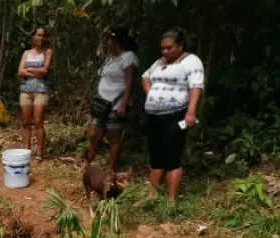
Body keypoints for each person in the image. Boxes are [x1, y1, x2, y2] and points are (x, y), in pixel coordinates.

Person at [141, 27, 205, 204]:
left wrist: (191, 111)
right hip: (154, 115)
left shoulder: (191, 61)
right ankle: (152, 196)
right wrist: (152, 94)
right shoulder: (160, 62)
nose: (165, 51)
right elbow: (145, 77)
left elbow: (196, 86)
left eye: (169, 48)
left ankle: (171, 201)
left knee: (172, 156)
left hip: (176, 115)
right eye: (162, 48)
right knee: (156, 156)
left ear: (181, 45)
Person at [84, 27, 139, 181]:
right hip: (102, 103)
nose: (107, 43)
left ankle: (112, 167)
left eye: (109, 40)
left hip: (116, 105)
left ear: (116, 41)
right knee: (94, 135)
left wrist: (123, 104)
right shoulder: (110, 57)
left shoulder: (129, 57)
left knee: (113, 138)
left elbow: (129, 83)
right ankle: (87, 162)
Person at [18, 27, 53, 163]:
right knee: (26, 122)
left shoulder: (48, 52)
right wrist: (36, 71)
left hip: (41, 90)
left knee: (38, 121)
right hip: (26, 90)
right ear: (33, 37)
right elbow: (20, 71)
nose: (41, 38)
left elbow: (45, 71)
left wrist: (29, 69)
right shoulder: (26, 53)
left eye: (43, 35)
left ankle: (39, 153)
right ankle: (26, 151)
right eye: (38, 35)